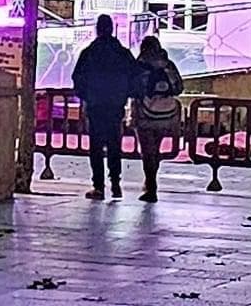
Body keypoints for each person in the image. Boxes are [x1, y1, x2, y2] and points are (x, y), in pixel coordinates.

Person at [71, 14, 140, 199]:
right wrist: (124, 94)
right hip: (115, 105)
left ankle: (99, 186)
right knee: (114, 144)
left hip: (95, 105)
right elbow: (134, 76)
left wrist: (86, 96)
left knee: (96, 146)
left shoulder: (89, 53)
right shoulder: (122, 53)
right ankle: (116, 183)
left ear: (97, 29)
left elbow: (78, 77)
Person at [132, 33, 185, 202]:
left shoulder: (140, 65)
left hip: (145, 115)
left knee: (148, 151)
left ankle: (151, 186)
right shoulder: (168, 64)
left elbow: (133, 88)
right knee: (156, 149)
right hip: (166, 114)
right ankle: (151, 181)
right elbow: (179, 88)